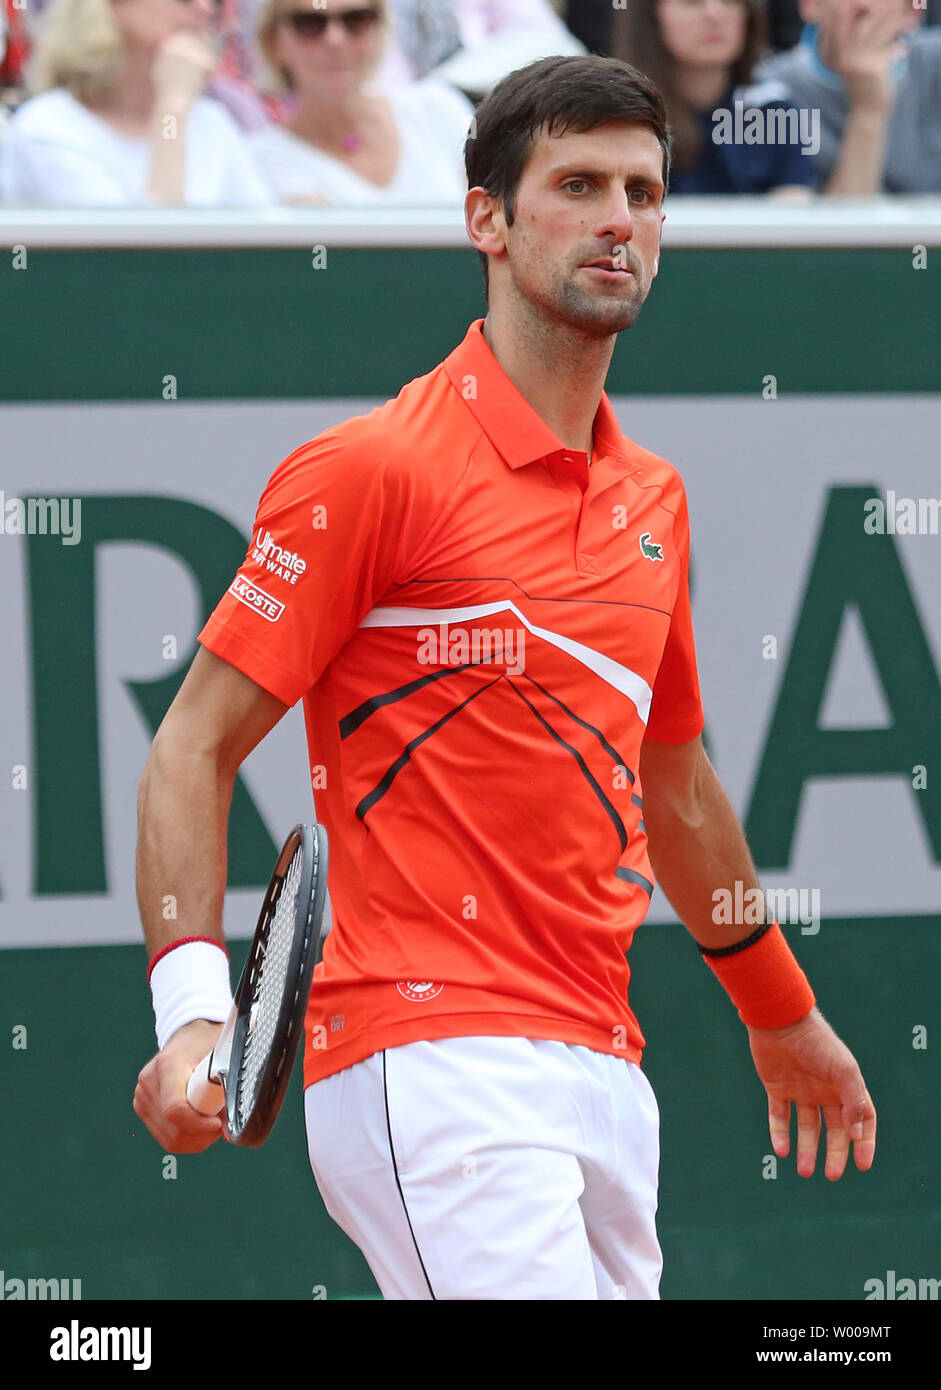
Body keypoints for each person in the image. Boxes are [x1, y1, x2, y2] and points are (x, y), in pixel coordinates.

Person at [132, 52, 877, 1301]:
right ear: (485, 219)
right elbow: (191, 745)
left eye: (642, 193)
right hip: (430, 1061)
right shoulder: (370, 470)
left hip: (597, 1058)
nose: (617, 221)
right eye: (576, 185)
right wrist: (193, 1016)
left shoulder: (654, 498)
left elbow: (672, 780)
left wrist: (777, 1009)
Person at [0, 0, 271, 207]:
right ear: (116, 5)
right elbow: (144, 267)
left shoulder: (213, 122)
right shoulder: (48, 128)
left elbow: (266, 249)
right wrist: (173, 107)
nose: (205, 8)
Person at [249, 0, 474, 205]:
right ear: (273, 42)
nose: (335, 40)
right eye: (310, 23)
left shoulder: (439, 109)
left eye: (356, 19)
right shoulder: (258, 161)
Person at [611, 0, 816, 196]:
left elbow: (793, 217)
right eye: (691, 2)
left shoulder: (773, 108)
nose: (714, 14)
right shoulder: (622, 119)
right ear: (650, 17)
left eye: (729, 0)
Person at [756, 0, 941, 194]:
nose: (864, 5)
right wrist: (867, 111)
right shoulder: (770, 93)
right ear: (810, 5)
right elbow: (841, 223)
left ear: (912, 11)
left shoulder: (934, 65)